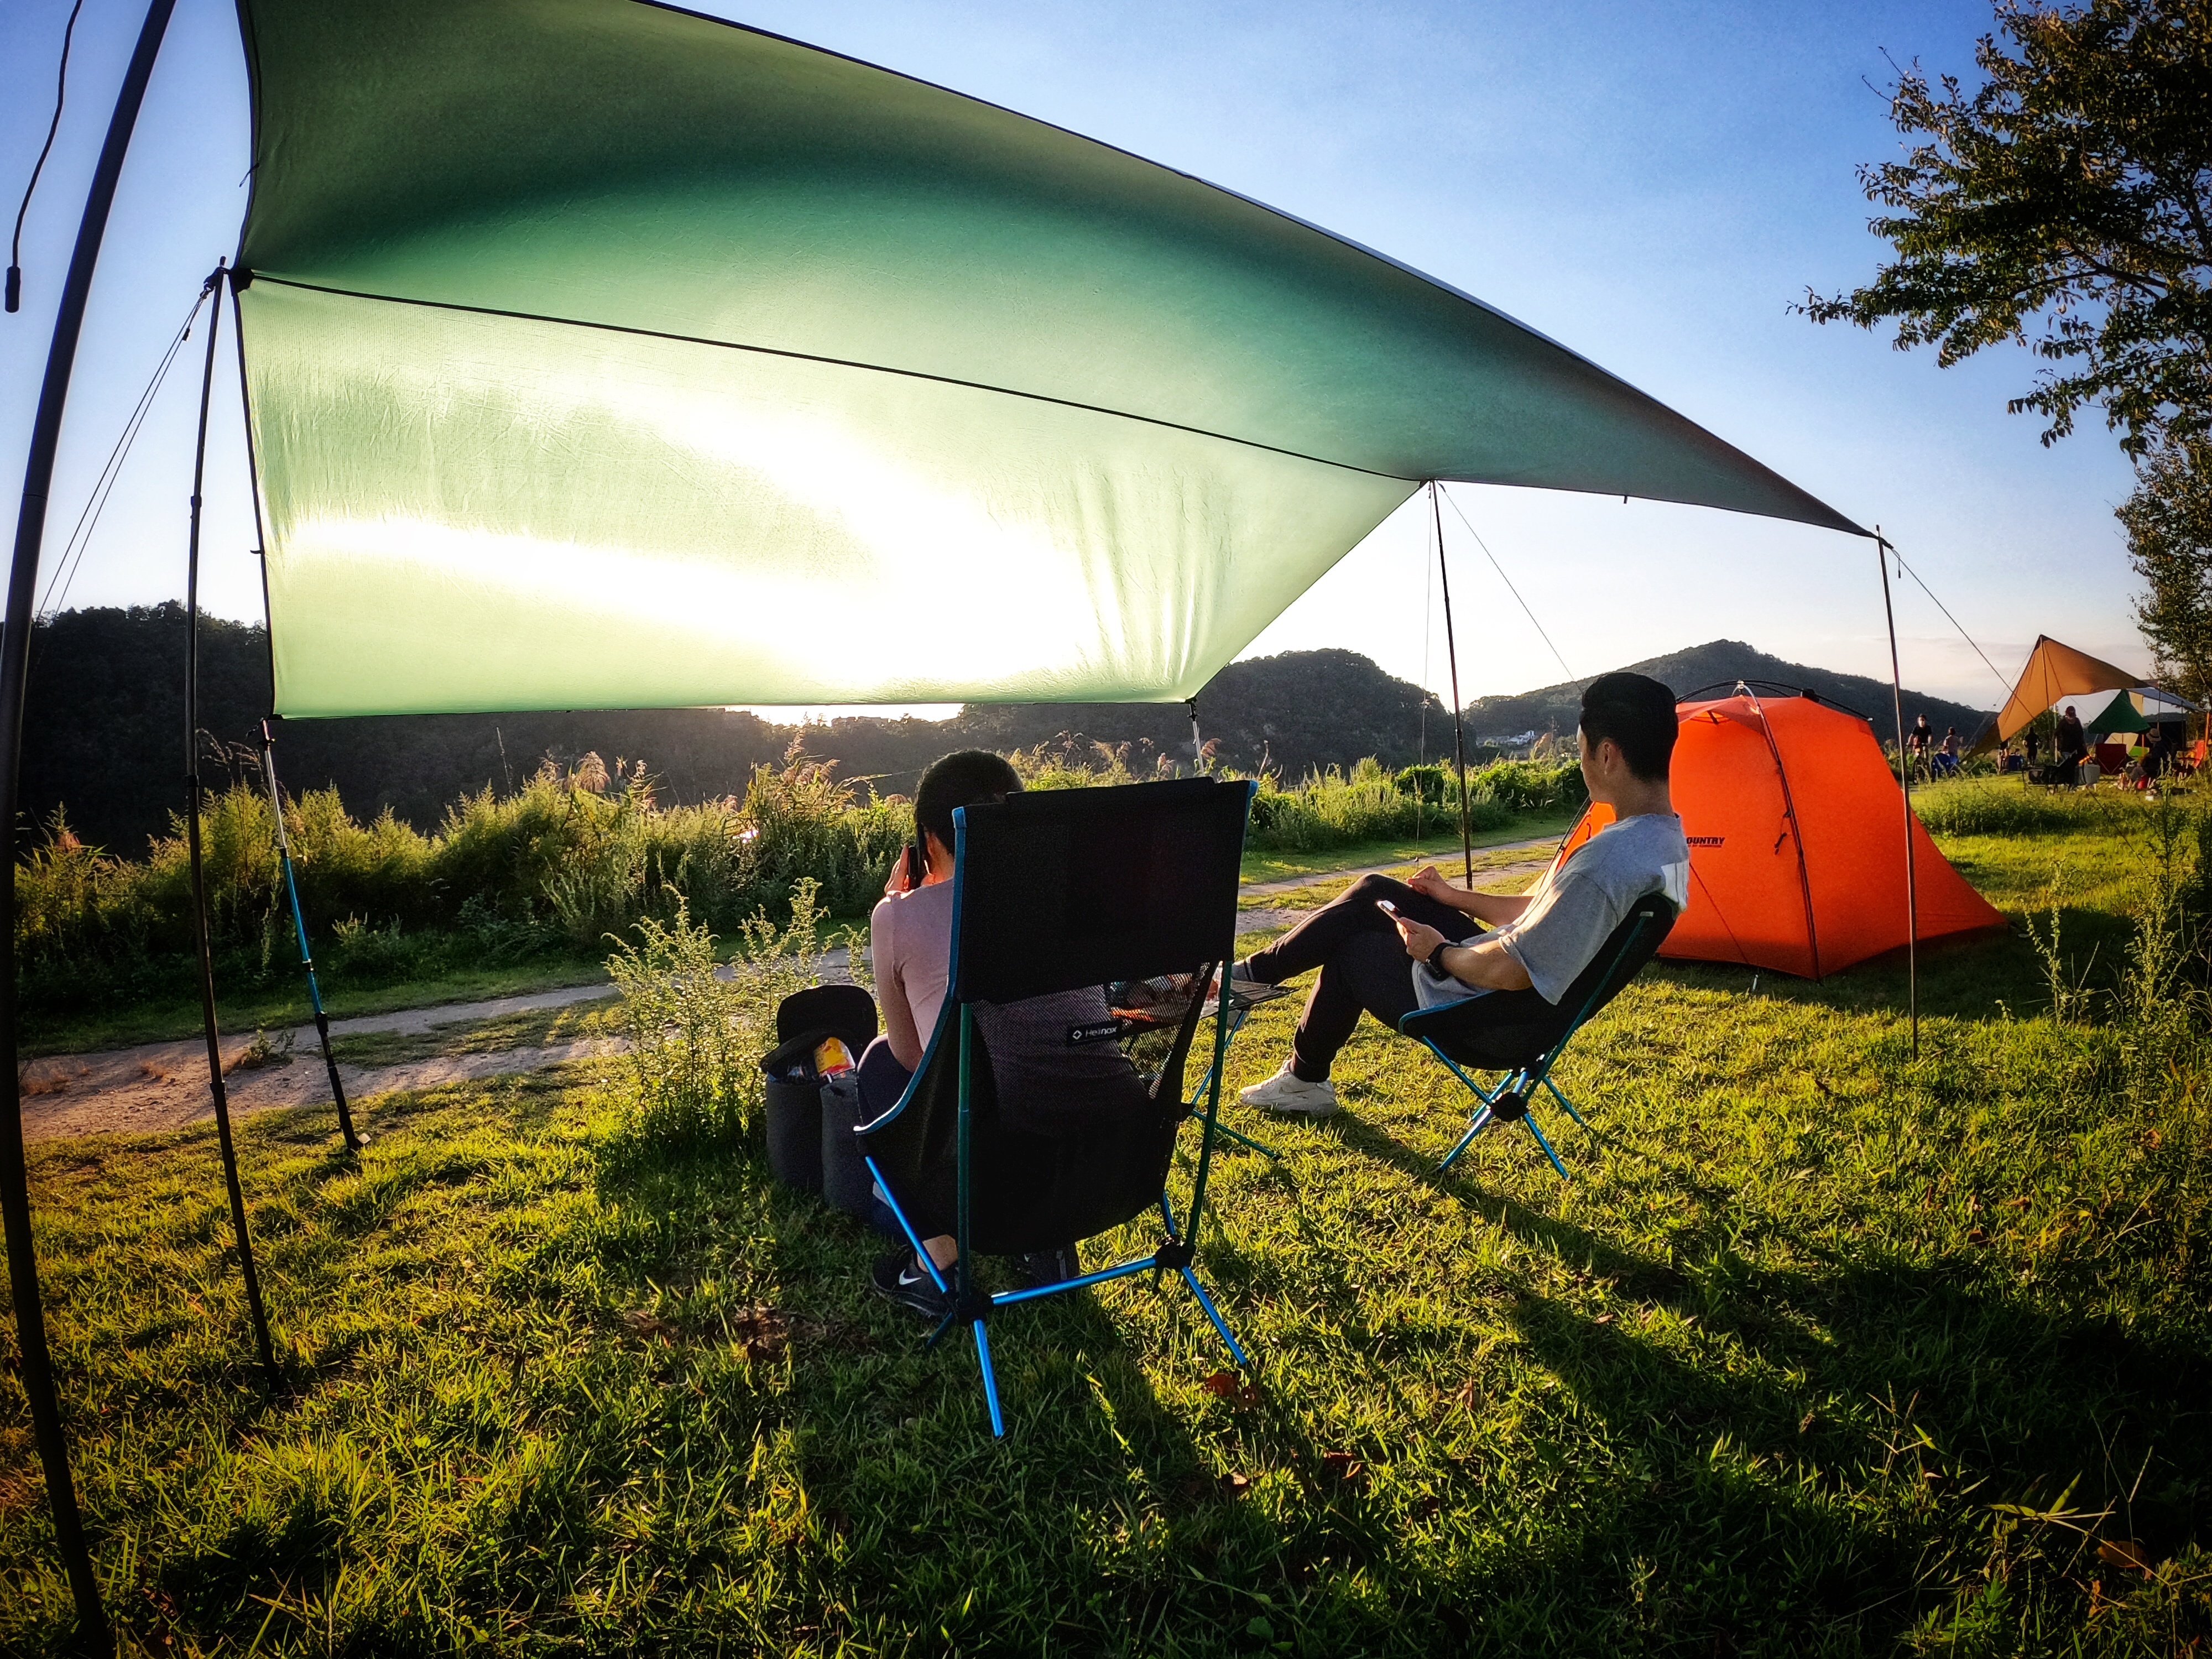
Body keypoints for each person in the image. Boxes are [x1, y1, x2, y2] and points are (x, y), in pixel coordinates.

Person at [1232, 672, 1691, 1118]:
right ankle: (1249, 981)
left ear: (1607, 755)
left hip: (1492, 1020)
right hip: (1523, 1007)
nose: (1581, 763)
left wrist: (1439, 952)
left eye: (1580, 750)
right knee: (1374, 890)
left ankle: (1294, 1063)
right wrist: (1452, 897)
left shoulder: (1607, 861)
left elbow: (1512, 970)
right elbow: (1543, 911)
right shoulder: (1662, 842)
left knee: (1353, 948)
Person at [862, 750, 1111, 1317]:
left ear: (929, 840)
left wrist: (900, 908)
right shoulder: (1068, 894)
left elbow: (911, 1056)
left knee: (878, 1063)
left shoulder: (899, 915)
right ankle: (1048, 1239)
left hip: (997, 1165)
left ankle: (936, 1264)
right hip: (1110, 1151)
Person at [2054, 705, 2089, 776]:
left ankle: (2075, 780)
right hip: (2066, 748)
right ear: (2067, 713)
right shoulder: (2063, 722)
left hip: (2077, 749)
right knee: (2068, 766)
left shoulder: (2077, 721)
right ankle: (2067, 779)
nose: (2071, 715)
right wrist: (2057, 747)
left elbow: (2081, 734)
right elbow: (2056, 735)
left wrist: (2084, 745)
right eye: (2070, 713)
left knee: (2076, 767)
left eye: (2073, 713)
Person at [1905, 713, 1933, 782]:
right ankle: (1917, 769)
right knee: (1917, 755)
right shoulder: (1916, 728)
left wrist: (1929, 743)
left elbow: (1930, 736)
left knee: (1926, 758)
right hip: (1918, 745)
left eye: (1923, 720)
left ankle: (1928, 775)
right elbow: (1912, 736)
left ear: (1925, 721)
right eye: (1920, 720)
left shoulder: (1928, 728)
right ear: (1918, 721)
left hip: (1925, 744)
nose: (1922, 722)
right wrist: (1909, 743)